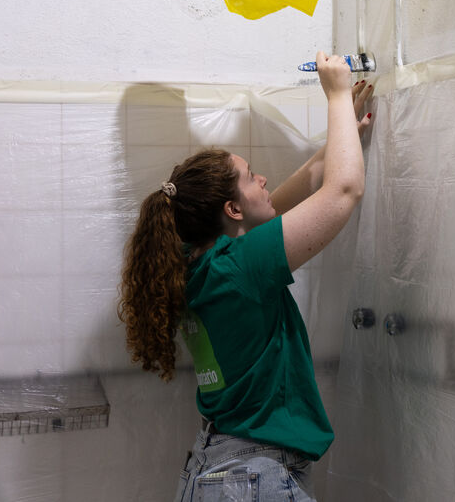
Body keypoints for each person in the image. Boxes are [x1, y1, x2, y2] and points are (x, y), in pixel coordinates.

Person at [117, 52, 374, 502]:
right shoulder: (239, 266)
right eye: (252, 177)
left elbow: (302, 188)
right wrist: (335, 93)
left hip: (220, 470)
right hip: (251, 478)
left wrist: (342, 127)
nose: (264, 180)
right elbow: (342, 191)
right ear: (232, 212)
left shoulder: (194, 264)